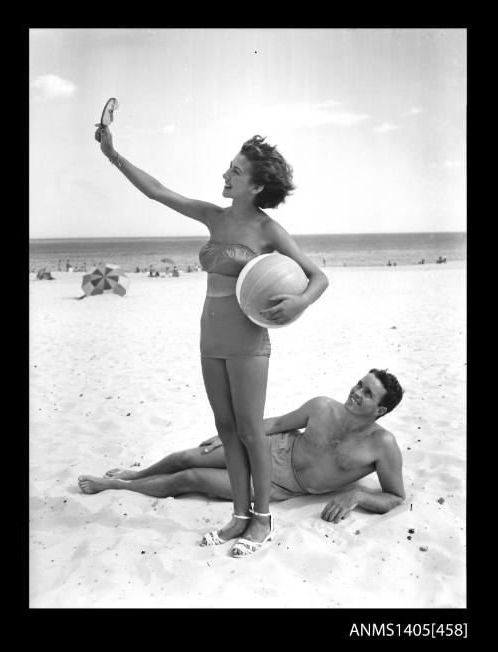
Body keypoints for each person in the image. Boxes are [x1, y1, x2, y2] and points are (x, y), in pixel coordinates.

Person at [94, 125, 329, 556]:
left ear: (256, 185)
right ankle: (239, 516)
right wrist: (113, 154)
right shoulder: (214, 216)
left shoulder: (268, 229)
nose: (226, 175)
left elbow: (318, 277)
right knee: (225, 428)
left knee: (250, 430)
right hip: (210, 333)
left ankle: (262, 519)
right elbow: (158, 191)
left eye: (236, 171)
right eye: (229, 167)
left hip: (247, 337)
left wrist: (299, 304)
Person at [79, 369, 405, 538]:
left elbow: (395, 496)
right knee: (189, 456)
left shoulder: (383, 446)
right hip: (271, 447)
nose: (356, 392)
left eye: (367, 393)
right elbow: (278, 423)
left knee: (190, 478)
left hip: (280, 487)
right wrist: (234, 434)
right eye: (359, 384)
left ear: (381, 409)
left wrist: (358, 496)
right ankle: (135, 474)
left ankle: (118, 487)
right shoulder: (323, 407)